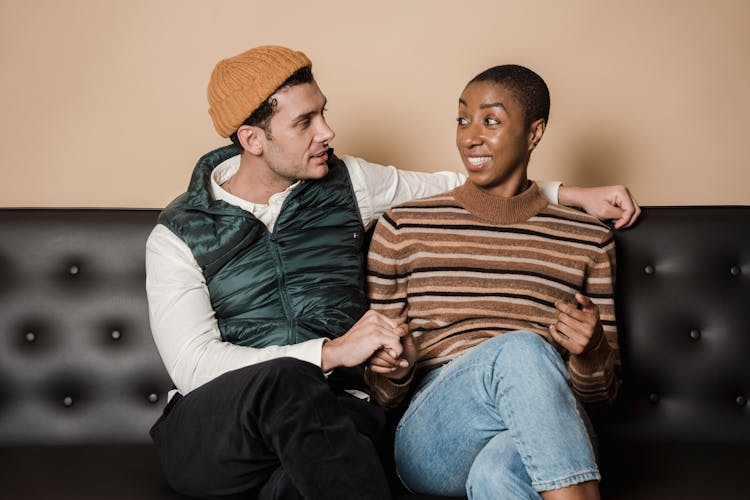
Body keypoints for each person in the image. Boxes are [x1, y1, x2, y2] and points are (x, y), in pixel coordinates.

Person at [145, 46, 636, 500]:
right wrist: (332, 352)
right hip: (220, 428)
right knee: (287, 382)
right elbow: (193, 366)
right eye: (305, 122)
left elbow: (459, 187)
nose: (328, 132)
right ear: (253, 139)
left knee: (329, 457)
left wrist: (569, 195)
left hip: (329, 423)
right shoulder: (179, 233)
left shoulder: (348, 183)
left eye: (324, 112)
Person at [366, 64, 619, 499]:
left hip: (550, 428)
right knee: (521, 348)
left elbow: (600, 399)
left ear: (534, 132)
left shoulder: (588, 239)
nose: (470, 137)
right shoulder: (404, 227)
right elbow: (380, 394)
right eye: (463, 119)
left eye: (491, 120)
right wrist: (395, 371)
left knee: (499, 473)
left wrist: (593, 351)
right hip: (435, 433)